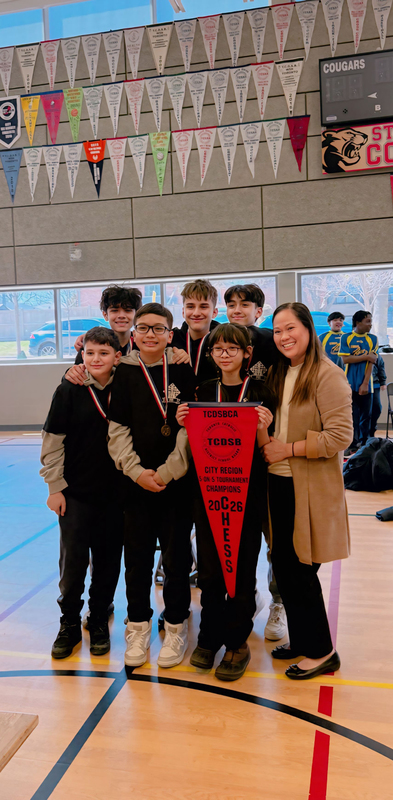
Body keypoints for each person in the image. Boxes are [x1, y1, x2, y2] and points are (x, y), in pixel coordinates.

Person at [176, 323, 275, 681]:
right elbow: (195, 442)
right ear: (212, 354)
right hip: (208, 493)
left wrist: (264, 426)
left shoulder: (262, 392)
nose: (225, 354)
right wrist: (183, 422)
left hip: (246, 495)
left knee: (241, 568)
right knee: (210, 571)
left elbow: (267, 449)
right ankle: (209, 635)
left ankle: (237, 641)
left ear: (247, 353)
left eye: (233, 348)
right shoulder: (203, 391)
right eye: (219, 349)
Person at [263, 302, 352, 680]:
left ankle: (322, 652)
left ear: (308, 329)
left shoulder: (327, 375)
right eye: (277, 330)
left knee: (300, 570)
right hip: (278, 482)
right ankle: (302, 639)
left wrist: (288, 449)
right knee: (285, 569)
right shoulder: (279, 371)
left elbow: (340, 437)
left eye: (290, 328)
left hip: (309, 488)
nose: (283, 337)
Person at [107, 303, 196, 669]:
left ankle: (175, 624)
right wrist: (137, 472)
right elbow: (117, 430)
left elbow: (190, 427)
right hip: (135, 485)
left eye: (159, 329)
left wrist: (167, 471)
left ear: (170, 335)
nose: (150, 334)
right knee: (138, 560)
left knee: (176, 560)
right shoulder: (124, 373)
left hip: (175, 484)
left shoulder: (182, 369)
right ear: (134, 334)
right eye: (143, 328)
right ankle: (138, 625)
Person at [40, 328, 125, 659]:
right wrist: (55, 487)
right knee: (73, 562)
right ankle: (69, 623)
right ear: (82, 355)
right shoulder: (69, 389)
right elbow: (52, 440)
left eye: (104, 353)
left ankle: (99, 617)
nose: (96, 359)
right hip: (75, 493)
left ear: (117, 356)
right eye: (90, 353)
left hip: (116, 494)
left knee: (107, 561)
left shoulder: (126, 386)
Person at [225, 283, 285, 641]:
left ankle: (279, 601)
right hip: (227, 458)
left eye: (244, 304)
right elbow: (183, 333)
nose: (237, 309)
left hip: (268, 452)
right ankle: (243, 598)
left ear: (258, 311)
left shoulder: (271, 342)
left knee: (275, 536)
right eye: (231, 304)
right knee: (236, 538)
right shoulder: (220, 337)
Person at [66, 284, 143, 386]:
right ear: (105, 315)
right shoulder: (91, 345)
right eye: (114, 310)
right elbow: (77, 374)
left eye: (128, 310)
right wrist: (69, 373)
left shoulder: (143, 345)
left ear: (136, 315)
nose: (121, 316)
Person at [339, 310, 378, 456]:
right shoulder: (346, 337)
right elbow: (345, 359)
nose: (370, 324)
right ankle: (352, 444)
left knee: (366, 416)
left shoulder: (373, 339)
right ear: (358, 322)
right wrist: (366, 356)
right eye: (367, 321)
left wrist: (365, 383)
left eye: (371, 321)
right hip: (348, 383)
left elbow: (372, 363)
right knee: (351, 416)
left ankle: (364, 444)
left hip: (366, 384)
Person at [171, 279, 219, 382]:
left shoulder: (224, 341)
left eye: (203, 307)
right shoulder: (171, 339)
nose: (196, 313)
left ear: (214, 312)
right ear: (183, 312)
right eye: (190, 307)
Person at [370, 353, 387, 436]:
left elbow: (381, 367)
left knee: (377, 408)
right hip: (360, 385)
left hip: (375, 384)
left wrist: (383, 382)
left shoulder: (376, 354)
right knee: (364, 411)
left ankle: (372, 430)